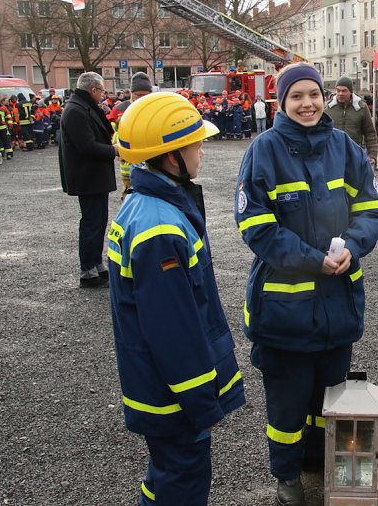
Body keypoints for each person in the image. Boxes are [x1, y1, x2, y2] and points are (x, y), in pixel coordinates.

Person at [235, 62, 378, 506]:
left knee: (329, 398)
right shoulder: (263, 150)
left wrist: (352, 248)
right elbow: (256, 226)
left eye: (313, 94)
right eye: (297, 96)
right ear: (281, 102)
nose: (307, 103)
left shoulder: (345, 147)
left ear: (325, 97)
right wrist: (313, 260)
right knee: (286, 406)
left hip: (338, 305)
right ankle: (287, 477)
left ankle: (317, 461)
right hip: (284, 311)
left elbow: (374, 209)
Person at [107, 92, 246, 506]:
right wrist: (202, 403)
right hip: (173, 396)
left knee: (169, 473)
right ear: (171, 157)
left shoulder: (144, 205)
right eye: (195, 143)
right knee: (183, 478)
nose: (202, 149)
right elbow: (174, 333)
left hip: (158, 386)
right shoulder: (161, 230)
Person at [58, 71, 118, 288]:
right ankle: (87, 269)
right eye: (102, 91)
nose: (103, 95)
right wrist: (114, 150)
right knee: (92, 222)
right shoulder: (76, 110)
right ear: (93, 90)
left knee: (98, 221)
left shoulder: (81, 107)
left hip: (93, 176)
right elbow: (86, 146)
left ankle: (96, 263)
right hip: (87, 176)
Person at [109, 71, 153, 199]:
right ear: (131, 92)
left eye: (145, 95)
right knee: (130, 194)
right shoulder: (120, 108)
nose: (141, 98)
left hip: (149, 154)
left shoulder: (154, 107)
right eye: (138, 95)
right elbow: (111, 130)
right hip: (127, 159)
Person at [325, 75, 378, 167]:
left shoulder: (361, 108)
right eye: (338, 90)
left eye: (344, 90)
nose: (340, 93)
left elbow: (370, 133)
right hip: (331, 154)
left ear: (351, 92)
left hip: (354, 153)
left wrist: (372, 155)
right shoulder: (327, 108)